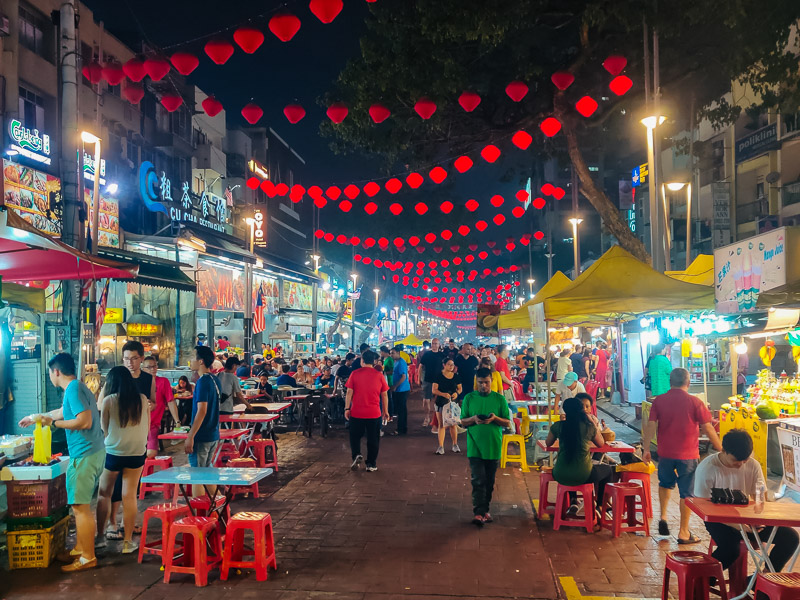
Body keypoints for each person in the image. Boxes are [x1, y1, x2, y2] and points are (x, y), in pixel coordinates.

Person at [19, 353, 105, 572]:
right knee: (80, 506)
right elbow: (64, 412)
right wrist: (37, 417)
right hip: (93, 452)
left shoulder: (74, 390)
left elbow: (84, 421)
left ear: (55, 372)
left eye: (50, 373)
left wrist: (54, 423)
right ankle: (80, 548)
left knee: (80, 508)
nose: (50, 376)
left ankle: (87, 557)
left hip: (84, 454)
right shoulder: (77, 388)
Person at [695, 429, 799, 573]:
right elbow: (703, 507)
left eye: (745, 460)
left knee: (790, 537)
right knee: (731, 549)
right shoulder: (708, 468)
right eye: (736, 460)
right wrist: (738, 526)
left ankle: (763, 581)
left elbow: (760, 497)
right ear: (723, 450)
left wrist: (760, 520)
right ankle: (703, 579)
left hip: (747, 518)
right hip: (718, 521)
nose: (741, 464)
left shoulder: (753, 465)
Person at [642, 367, 722, 544]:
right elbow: (707, 427)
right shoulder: (695, 402)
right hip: (688, 455)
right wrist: (721, 449)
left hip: (665, 453)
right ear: (688, 382)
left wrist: (646, 448)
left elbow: (651, 425)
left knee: (665, 484)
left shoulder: (659, 401)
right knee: (687, 493)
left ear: (670, 382)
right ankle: (683, 532)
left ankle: (663, 516)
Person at [95, 366, 149, 555]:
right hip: (136, 453)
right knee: (129, 495)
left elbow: (105, 429)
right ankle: (127, 542)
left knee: (104, 494)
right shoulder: (142, 399)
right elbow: (147, 426)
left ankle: (100, 537)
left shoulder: (109, 400)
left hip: (113, 453)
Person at [545, 396, 613, 519]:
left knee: (572, 468)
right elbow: (601, 443)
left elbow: (548, 443)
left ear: (565, 410)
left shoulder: (558, 426)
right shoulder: (588, 427)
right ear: (581, 410)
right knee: (607, 470)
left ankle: (573, 502)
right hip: (584, 475)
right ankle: (600, 505)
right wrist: (591, 421)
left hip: (560, 474)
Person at [461, 368, 511, 526]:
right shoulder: (469, 398)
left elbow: (507, 422)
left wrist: (495, 418)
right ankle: (478, 512)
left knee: (489, 481)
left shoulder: (499, 399)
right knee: (478, 480)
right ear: (476, 382)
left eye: (486, 382)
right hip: (474, 446)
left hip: (493, 446)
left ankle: (485, 510)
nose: (483, 385)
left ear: (492, 381)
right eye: (480, 382)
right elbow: (462, 421)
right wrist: (474, 419)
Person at [345, 349, 390, 471]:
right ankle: (371, 464)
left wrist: (347, 408)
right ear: (374, 362)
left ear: (362, 360)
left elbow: (349, 392)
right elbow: (384, 395)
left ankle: (357, 454)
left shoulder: (355, 374)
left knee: (355, 436)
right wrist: (385, 411)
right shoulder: (379, 375)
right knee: (373, 438)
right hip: (374, 413)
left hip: (356, 412)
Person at [186, 346, 221, 479]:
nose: (190, 361)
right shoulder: (215, 379)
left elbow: (202, 411)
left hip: (202, 436)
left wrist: (191, 436)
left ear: (200, 361)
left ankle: (204, 499)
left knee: (197, 476)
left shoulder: (202, 382)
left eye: (192, 357)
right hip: (212, 434)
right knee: (206, 472)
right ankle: (219, 498)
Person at [141, 356, 180, 459]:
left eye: (154, 366)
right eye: (149, 367)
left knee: (151, 453)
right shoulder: (138, 382)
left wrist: (177, 421)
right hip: (137, 425)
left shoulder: (163, 381)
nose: (153, 369)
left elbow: (170, 401)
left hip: (153, 424)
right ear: (143, 368)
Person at [432, 358, 463, 454]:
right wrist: (442, 394)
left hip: (452, 403)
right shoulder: (438, 376)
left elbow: (460, 388)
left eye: (452, 365)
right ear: (444, 365)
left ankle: (455, 444)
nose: (451, 366)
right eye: (449, 364)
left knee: (453, 424)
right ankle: (441, 446)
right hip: (441, 402)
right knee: (442, 425)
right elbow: (434, 390)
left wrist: (456, 393)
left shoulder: (456, 376)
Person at [420, 338, 445, 430]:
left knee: (439, 401)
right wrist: (419, 379)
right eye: (433, 343)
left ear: (439, 345)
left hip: (439, 381)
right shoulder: (427, 354)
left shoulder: (442, 355)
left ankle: (438, 419)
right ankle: (426, 417)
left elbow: (446, 367)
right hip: (427, 380)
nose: (434, 345)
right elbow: (420, 366)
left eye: (436, 343)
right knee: (426, 400)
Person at [390, 346, 410, 435]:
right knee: (400, 410)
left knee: (402, 410)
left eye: (393, 353)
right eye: (391, 353)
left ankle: (401, 429)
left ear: (398, 353)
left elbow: (403, 377)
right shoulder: (396, 362)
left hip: (402, 389)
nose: (391, 355)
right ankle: (401, 428)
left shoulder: (401, 363)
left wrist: (395, 386)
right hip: (399, 389)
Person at [380, 346, 395, 416]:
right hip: (385, 380)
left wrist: (384, 372)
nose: (380, 353)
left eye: (381, 352)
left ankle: (390, 413)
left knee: (389, 397)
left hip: (389, 380)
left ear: (383, 351)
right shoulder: (385, 359)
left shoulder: (389, 359)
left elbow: (392, 371)